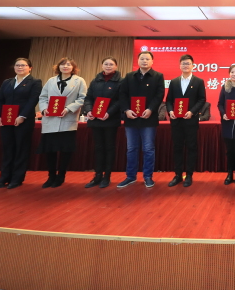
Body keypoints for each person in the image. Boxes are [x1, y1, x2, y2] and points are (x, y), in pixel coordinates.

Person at [0, 58, 42, 189]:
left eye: (23, 65)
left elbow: (32, 101)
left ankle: (16, 179)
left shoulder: (35, 82)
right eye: (17, 65)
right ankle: (3, 179)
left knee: (21, 149)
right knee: (7, 148)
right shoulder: (7, 82)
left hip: (24, 120)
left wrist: (22, 116)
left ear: (30, 68)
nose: (20, 67)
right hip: (6, 119)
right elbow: (0, 100)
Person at [37, 57, 87, 188]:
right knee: (50, 150)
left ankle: (61, 176)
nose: (65, 66)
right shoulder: (51, 81)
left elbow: (82, 98)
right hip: (50, 119)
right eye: (63, 64)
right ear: (58, 67)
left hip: (67, 120)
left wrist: (68, 109)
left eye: (68, 64)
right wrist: (44, 109)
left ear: (73, 67)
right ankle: (51, 176)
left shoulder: (79, 81)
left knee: (65, 150)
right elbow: (43, 97)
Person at [118, 51, 165, 189]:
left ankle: (148, 176)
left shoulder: (158, 76)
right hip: (131, 118)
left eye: (147, 59)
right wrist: (126, 110)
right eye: (142, 59)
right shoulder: (129, 76)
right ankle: (130, 176)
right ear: (138, 61)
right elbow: (122, 94)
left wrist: (151, 109)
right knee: (131, 148)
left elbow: (159, 95)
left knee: (148, 149)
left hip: (149, 118)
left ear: (152, 61)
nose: (145, 61)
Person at [165, 54, 207, 188]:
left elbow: (202, 99)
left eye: (188, 63)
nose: (185, 65)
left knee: (191, 147)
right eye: (183, 63)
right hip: (176, 121)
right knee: (177, 147)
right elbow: (168, 100)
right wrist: (170, 111)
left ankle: (189, 175)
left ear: (193, 66)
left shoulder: (198, 81)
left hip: (190, 121)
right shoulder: (174, 82)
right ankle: (177, 174)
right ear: (180, 66)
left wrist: (192, 112)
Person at [83, 56, 122, 188]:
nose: (108, 66)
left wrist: (109, 113)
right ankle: (97, 175)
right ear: (102, 66)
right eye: (106, 64)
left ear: (116, 66)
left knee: (109, 147)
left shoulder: (120, 81)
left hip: (110, 119)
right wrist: (88, 110)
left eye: (111, 64)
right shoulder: (96, 81)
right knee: (98, 148)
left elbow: (120, 100)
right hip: (95, 119)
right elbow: (88, 98)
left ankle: (107, 176)